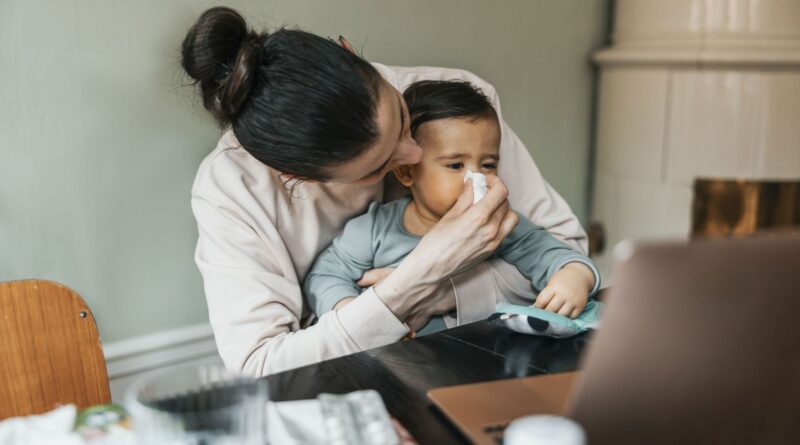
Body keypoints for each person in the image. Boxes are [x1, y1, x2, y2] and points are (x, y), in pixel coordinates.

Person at [182, 6, 589, 376]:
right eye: (379, 167)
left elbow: (565, 249)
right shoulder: (233, 189)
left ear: (350, 51)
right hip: (356, 384)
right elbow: (260, 364)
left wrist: (447, 292)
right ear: (300, 178)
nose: (414, 154)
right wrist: (409, 284)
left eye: (401, 116)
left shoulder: (457, 104)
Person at [305, 81, 599, 336]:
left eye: (488, 164)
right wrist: (350, 309)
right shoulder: (374, 228)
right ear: (407, 172)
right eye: (456, 165)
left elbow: (555, 254)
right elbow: (324, 276)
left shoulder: (499, 223)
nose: (476, 178)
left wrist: (574, 276)